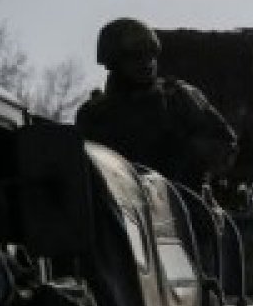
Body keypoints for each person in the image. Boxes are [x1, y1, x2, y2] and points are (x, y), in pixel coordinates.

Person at [75, 18, 238, 190]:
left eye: (151, 55)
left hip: (179, 197)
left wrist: (190, 153)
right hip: (116, 198)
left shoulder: (177, 98)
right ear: (114, 62)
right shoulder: (94, 114)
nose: (147, 63)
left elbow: (225, 143)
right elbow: (80, 168)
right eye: (137, 56)